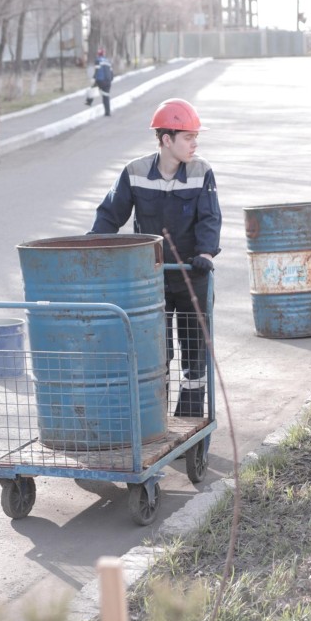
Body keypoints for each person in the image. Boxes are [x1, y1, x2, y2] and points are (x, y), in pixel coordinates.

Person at [90, 98, 220, 418]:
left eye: (195, 137)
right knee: (155, 352)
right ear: (166, 139)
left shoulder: (201, 171)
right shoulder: (134, 172)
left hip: (192, 272)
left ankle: (189, 420)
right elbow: (110, 215)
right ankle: (154, 419)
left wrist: (204, 252)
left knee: (194, 351)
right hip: (151, 277)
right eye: (188, 137)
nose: (195, 143)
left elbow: (210, 218)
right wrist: (93, 250)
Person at [92, 47, 114, 117]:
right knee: (106, 96)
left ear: (98, 54)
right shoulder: (108, 61)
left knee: (93, 89)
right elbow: (111, 73)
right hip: (108, 82)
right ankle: (108, 112)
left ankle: (88, 102)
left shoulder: (98, 60)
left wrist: (94, 78)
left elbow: (97, 71)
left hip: (101, 81)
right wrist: (110, 80)